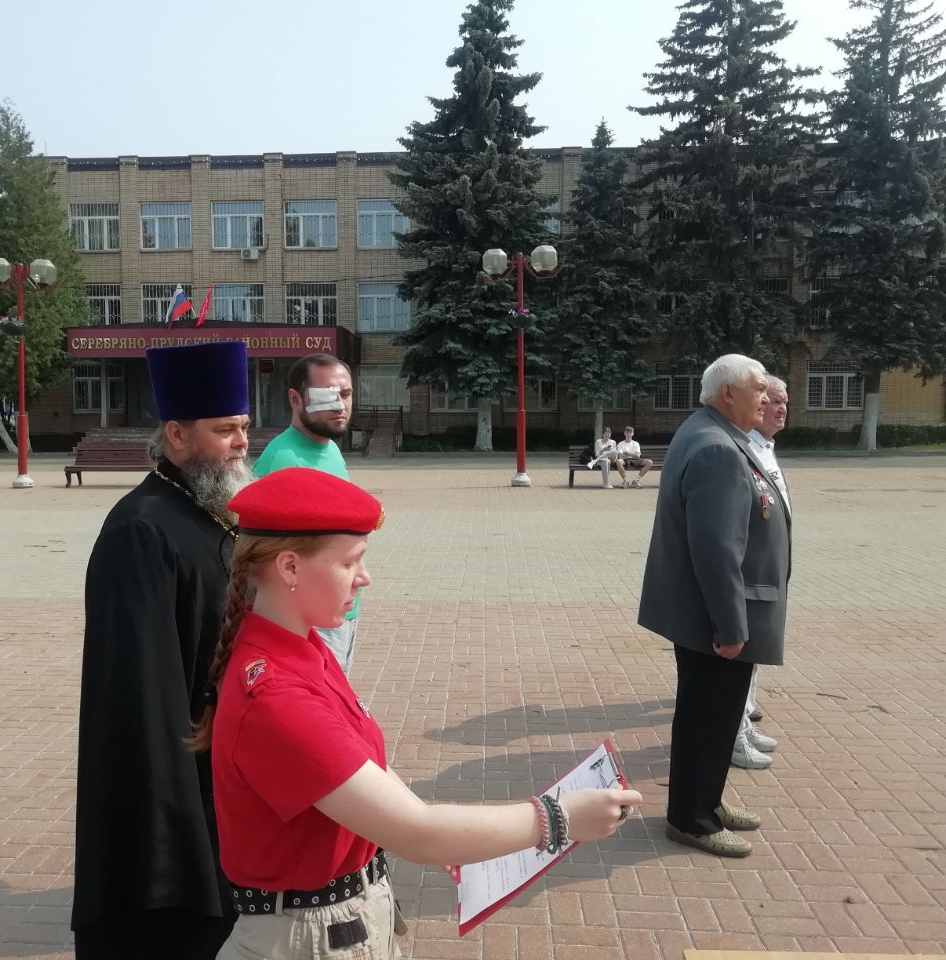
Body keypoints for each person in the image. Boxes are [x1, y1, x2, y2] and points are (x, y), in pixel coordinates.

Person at [194, 468, 642, 960]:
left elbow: (363, 772)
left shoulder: (298, 646)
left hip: (335, 921)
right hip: (308, 939)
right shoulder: (276, 693)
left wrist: (457, 839)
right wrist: (560, 818)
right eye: (350, 562)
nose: (364, 577)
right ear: (289, 568)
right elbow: (417, 833)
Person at [73, 341, 253, 959]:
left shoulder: (213, 512)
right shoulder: (140, 528)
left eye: (244, 427)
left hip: (222, 765)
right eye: (224, 429)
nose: (241, 442)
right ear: (176, 435)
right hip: (175, 780)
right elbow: (142, 695)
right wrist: (175, 833)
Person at [637, 354, 791, 859]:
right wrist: (730, 626)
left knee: (714, 717)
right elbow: (718, 549)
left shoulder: (708, 431)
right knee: (707, 719)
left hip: (707, 612)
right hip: (716, 618)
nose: (766, 398)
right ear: (729, 393)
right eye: (759, 390)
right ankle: (692, 819)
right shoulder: (718, 448)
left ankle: (707, 801)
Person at [253, 354, 362, 674]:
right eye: (327, 395)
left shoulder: (329, 447)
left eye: (346, 394)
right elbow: (264, 558)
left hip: (339, 611)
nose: (340, 405)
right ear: (295, 399)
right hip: (310, 623)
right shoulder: (284, 461)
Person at [733, 375, 791, 769]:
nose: (780, 408)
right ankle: (733, 733)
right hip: (747, 573)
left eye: (785, 401)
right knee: (739, 656)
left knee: (752, 656)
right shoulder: (742, 448)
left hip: (767, 569)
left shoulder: (765, 447)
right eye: (773, 400)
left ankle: (744, 721)